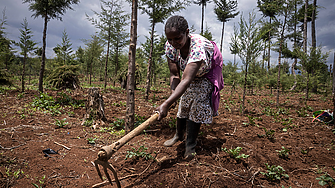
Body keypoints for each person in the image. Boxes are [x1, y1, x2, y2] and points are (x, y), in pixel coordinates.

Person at [156, 15, 224, 159]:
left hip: (207, 72)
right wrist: (173, 96)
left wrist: (166, 103)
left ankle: (190, 146)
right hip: (190, 74)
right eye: (170, 39)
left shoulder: (197, 46)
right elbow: (175, 74)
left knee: (197, 104)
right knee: (184, 102)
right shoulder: (170, 46)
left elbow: (186, 79)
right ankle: (178, 135)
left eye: (177, 38)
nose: (173, 43)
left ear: (187, 32)